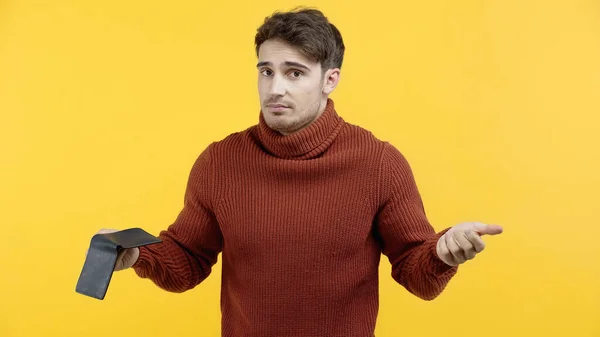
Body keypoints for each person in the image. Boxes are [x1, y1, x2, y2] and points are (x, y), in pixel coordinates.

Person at [95, 7, 503, 336]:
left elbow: (418, 276)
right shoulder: (219, 162)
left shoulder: (378, 163)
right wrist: (139, 253)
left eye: (295, 73)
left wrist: (443, 253)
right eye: (266, 71)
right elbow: (186, 261)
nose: (275, 89)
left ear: (330, 80)